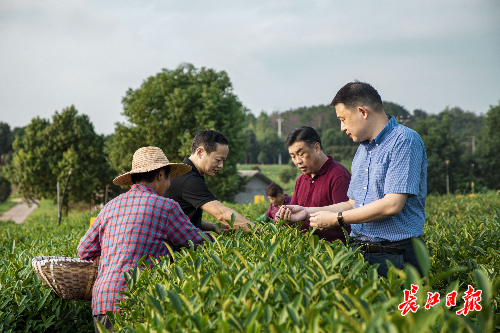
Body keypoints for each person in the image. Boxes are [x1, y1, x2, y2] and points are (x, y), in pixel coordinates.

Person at [277, 81, 427, 278]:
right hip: (361, 253)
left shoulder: (404, 141)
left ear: (362, 112)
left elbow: (392, 205)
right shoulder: (363, 151)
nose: (341, 127)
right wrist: (306, 212)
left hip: (396, 254)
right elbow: (353, 203)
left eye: (343, 119)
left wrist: (336, 219)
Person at [77, 147, 214, 332]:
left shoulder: (110, 206)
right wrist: (218, 238)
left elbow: (84, 250)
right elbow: (195, 241)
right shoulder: (166, 207)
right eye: (168, 178)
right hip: (137, 301)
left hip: (103, 300)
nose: (168, 184)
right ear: (159, 176)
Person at [164, 130, 255, 232]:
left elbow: (183, 218)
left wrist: (212, 226)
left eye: (223, 161)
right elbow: (222, 214)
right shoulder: (188, 179)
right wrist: (259, 231)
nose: (221, 165)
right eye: (218, 159)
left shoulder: (186, 174)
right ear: (200, 152)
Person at [278, 126, 351, 243]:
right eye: (293, 156)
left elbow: (347, 216)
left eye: (301, 154)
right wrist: (286, 219)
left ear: (317, 148)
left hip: (333, 250)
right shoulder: (301, 180)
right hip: (305, 250)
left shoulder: (338, 175)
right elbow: (296, 217)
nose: (298, 161)